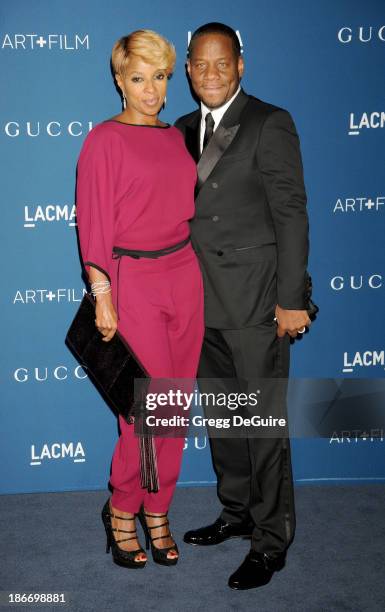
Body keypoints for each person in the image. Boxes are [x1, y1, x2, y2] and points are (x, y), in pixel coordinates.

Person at [175, 22, 310, 589]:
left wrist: (291, 301)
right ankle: (236, 514)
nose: (210, 73)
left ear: (241, 65)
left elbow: (291, 213)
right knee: (225, 423)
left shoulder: (269, 121)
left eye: (221, 63)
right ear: (187, 69)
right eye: (200, 65)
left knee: (263, 426)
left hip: (257, 305)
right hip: (198, 304)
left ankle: (271, 540)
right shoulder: (179, 129)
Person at [76, 30, 204, 569]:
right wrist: (102, 294)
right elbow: (95, 222)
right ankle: (124, 509)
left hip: (185, 274)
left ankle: (160, 507)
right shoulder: (104, 140)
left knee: (174, 407)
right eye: (138, 78)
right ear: (118, 80)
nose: (150, 90)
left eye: (160, 77)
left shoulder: (176, 137)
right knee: (142, 411)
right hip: (133, 280)